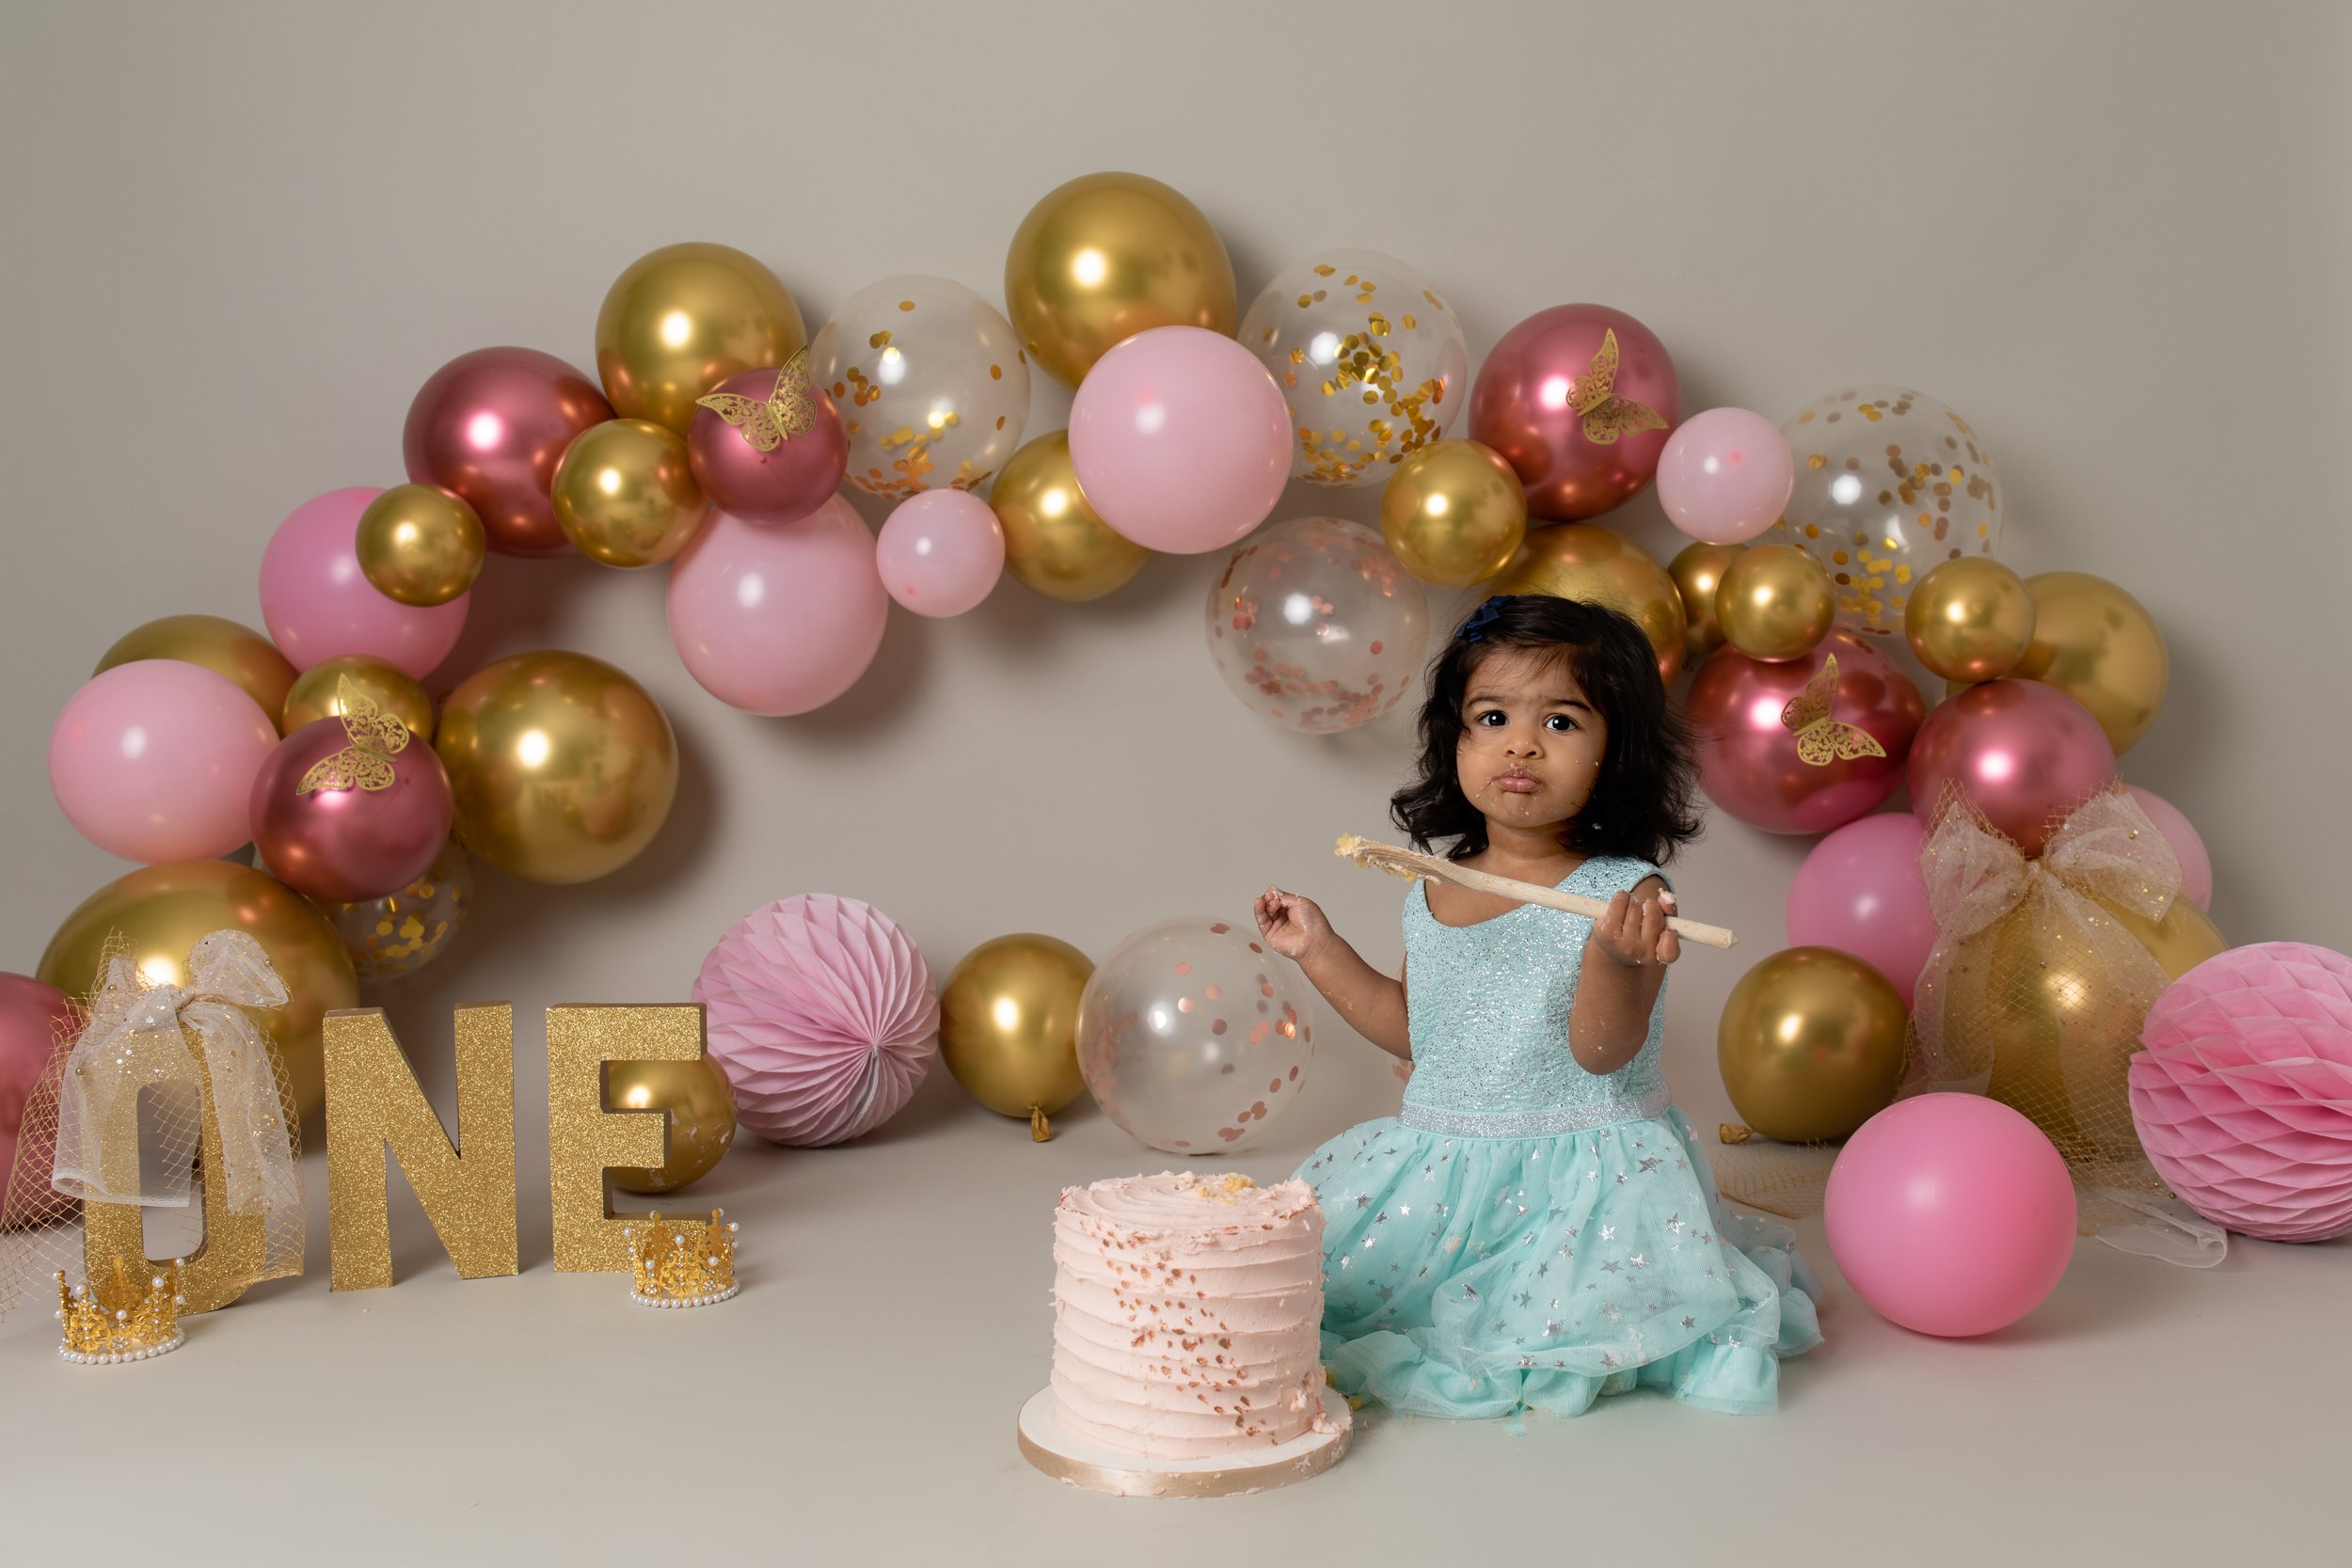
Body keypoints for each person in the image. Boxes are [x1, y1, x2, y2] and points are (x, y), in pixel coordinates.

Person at [1254, 594, 1821, 1418]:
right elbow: (1420, 1033)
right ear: (1454, 738)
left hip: (1580, 1178)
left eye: (1561, 723)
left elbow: (1602, 1052)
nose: (1520, 743)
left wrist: (1614, 959)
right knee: (1323, 1290)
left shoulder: (1622, 895)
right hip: (1450, 1163)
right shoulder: (1435, 885)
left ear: (1613, 752)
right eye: (1492, 717)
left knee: (1544, 1320)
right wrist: (1319, 948)